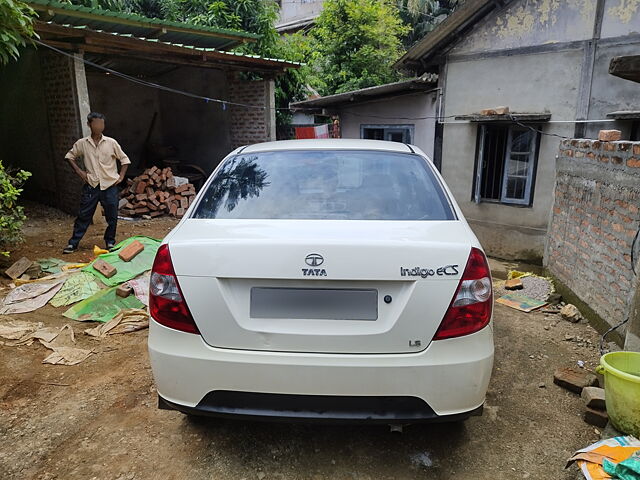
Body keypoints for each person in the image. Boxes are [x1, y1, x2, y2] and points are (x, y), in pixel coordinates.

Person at [62, 112, 130, 254]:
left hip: (110, 186)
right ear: (89, 125)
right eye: (96, 123)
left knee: (112, 216)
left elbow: (124, 160)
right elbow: (69, 156)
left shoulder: (111, 143)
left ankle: (110, 242)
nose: (100, 126)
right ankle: (73, 243)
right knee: (84, 215)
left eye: (102, 124)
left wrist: (121, 176)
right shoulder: (82, 144)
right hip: (92, 186)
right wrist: (80, 172)